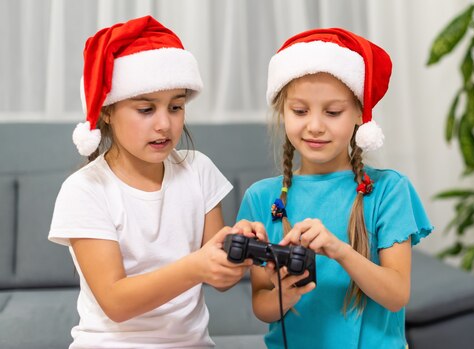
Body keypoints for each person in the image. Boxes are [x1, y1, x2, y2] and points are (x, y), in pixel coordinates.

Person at [48, 16, 265, 348]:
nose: (165, 124)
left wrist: (237, 252)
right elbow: (116, 303)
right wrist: (196, 266)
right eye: (146, 109)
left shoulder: (199, 170)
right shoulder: (84, 190)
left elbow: (219, 279)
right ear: (107, 110)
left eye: (175, 107)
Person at [236, 28, 434, 349]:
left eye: (332, 112)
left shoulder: (389, 191)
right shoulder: (261, 198)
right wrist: (285, 295)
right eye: (300, 111)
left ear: (359, 114)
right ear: (283, 112)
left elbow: (396, 296)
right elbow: (263, 307)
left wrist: (339, 250)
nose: (315, 125)